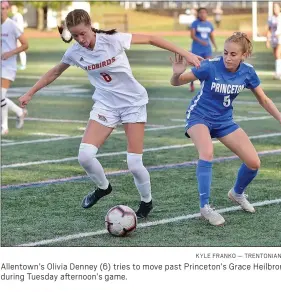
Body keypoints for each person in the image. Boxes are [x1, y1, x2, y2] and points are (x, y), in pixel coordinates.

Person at [18, 9, 201, 219]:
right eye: (75, 36)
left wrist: (186, 53)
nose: (80, 39)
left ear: (90, 26)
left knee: (134, 163)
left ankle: (146, 201)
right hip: (105, 105)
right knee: (85, 157)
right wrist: (30, 92)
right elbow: (55, 72)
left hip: (133, 103)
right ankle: (103, 187)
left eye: (83, 33)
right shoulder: (75, 52)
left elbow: (151, 38)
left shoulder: (112, 40)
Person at [170, 32, 281, 226]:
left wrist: (280, 118)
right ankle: (205, 207)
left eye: (233, 54)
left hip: (224, 121)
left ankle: (237, 193)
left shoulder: (248, 72)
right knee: (207, 152)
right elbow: (176, 82)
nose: (228, 58)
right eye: (225, 53)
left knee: (254, 163)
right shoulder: (210, 66)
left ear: (243, 55)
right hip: (199, 117)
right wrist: (176, 72)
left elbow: (263, 99)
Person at [1, 0, 28, 136]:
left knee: (1, 96)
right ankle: (19, 112)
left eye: (4, 8)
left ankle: (4, 127)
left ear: (8, 9)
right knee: (1, 97)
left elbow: (25, 44)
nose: (2, 11)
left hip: (8, 67)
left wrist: (10, 53)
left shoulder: (12, 25)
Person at [189, 7, 217, 92]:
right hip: (197, 49)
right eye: (201, 12)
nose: (202, 14)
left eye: (204, 12)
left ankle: (205, 85)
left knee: (208, 66)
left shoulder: (209, 24)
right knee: (196, 67)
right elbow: (192, 36)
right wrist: (201, 41)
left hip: (207, 49)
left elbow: (211, 36)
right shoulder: (195, 23)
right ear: (198, 14)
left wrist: (214, 45)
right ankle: (191, 84)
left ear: (207, 14)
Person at [266, 3, 281, 80]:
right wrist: (267, 40)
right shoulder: (271, 18)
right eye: (274, 8)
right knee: (276, 56)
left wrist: (280, 34)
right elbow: (269, 30)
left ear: (279, 8)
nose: (275, 9)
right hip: (273, 38)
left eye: (276, 7)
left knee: (278, 53)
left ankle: (280, 73)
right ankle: (278, 73)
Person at [11, 4, 27, 70]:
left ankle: (23, 64)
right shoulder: (13, 17)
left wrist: (18, 37)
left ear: (16, 9)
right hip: (15, 36)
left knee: (21, 50)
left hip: (19, 36)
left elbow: (20, 27)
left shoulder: (18, 16)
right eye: (12, 8)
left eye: (13, 8)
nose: (12, 10)